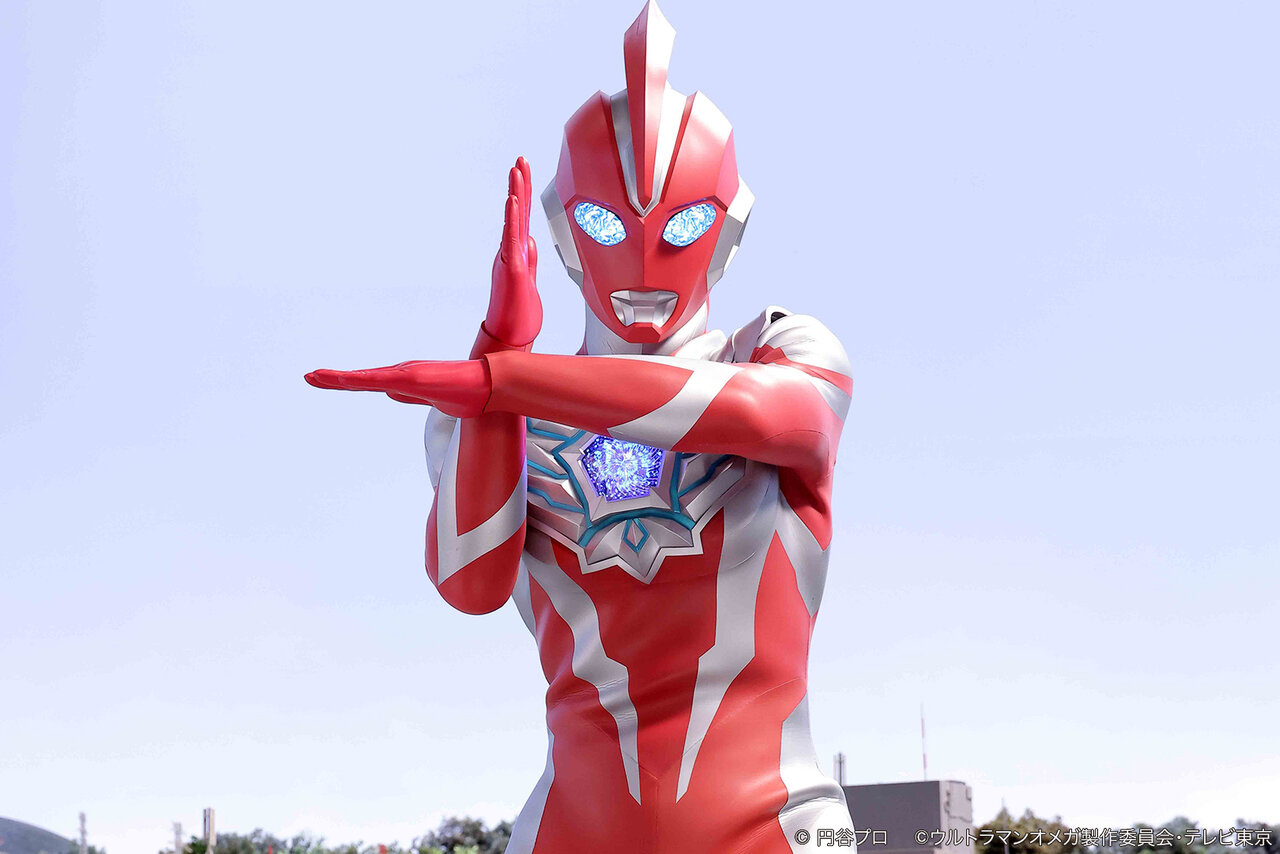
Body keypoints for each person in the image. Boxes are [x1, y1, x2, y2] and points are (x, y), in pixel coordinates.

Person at [306, 3, 855, 851]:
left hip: (776, 826)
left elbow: (768, 416)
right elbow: (469, 584)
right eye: (605, 223)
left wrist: (502, 378)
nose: (643, 260)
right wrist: (499, 363)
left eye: (682, 224)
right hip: (569, 827)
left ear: (730, 227)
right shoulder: (493, 410)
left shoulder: (781, 350)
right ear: (564, 231)